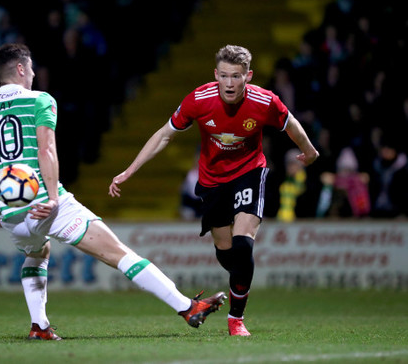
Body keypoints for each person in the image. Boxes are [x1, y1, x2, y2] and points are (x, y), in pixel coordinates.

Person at [0, 43, 225, 341]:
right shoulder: (39, 100)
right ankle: (188, 308)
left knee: (38, 253)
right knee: (119, 253)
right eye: (32, 69)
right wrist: (52, 198)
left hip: (12, 213)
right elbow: (46, 149)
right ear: (21, 69)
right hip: (45, 203)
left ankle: (39, 326)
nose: (34, 74)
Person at [109, 45, 319, 336]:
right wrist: (130, 170)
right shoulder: (199, 99)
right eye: (224, 76)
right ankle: (238, 281)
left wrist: (308, 151)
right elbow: (164, 135)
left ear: (249, 76)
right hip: (213, 181)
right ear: (215, 75)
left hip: (249, 172)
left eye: (236, 76)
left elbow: (290, 123)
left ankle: (236, 319)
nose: (230, 83)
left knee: (243, 245)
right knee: (227, 253)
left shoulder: (264, 100)